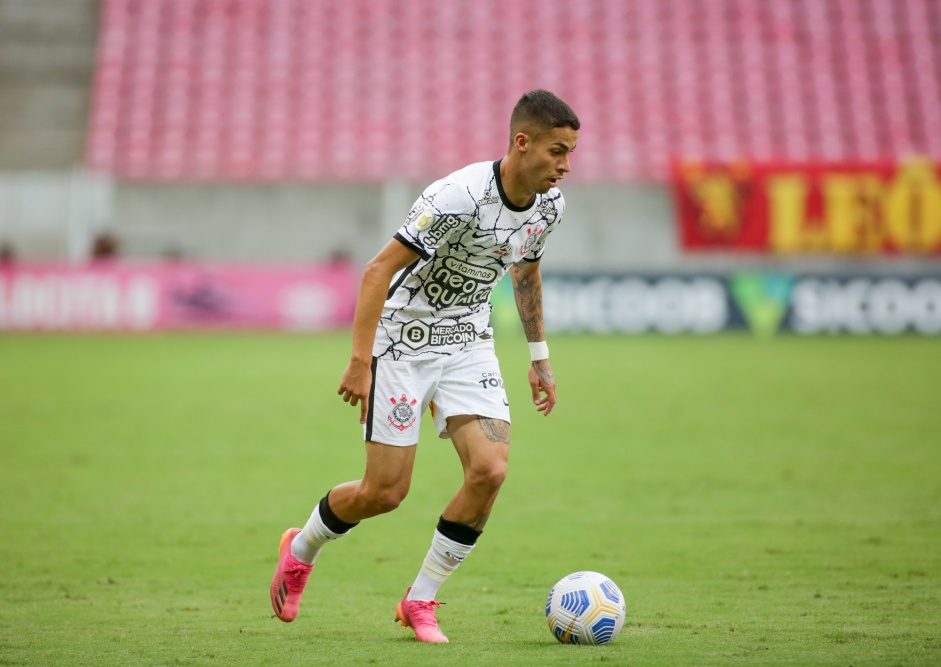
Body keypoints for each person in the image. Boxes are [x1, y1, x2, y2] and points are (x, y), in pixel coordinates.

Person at [270, 89, 580, 643]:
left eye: (571, 153)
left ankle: (421, 599)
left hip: (468, 340)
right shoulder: (458, 196)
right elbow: (377, 270)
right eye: (557, 151)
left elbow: (525, 276)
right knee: (384, 494)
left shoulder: (550, 207)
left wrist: (539, 359)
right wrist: (360, 362)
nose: (565, 165)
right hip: (402, 342)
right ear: (522, 142)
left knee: (490, 470)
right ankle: (300, 550)